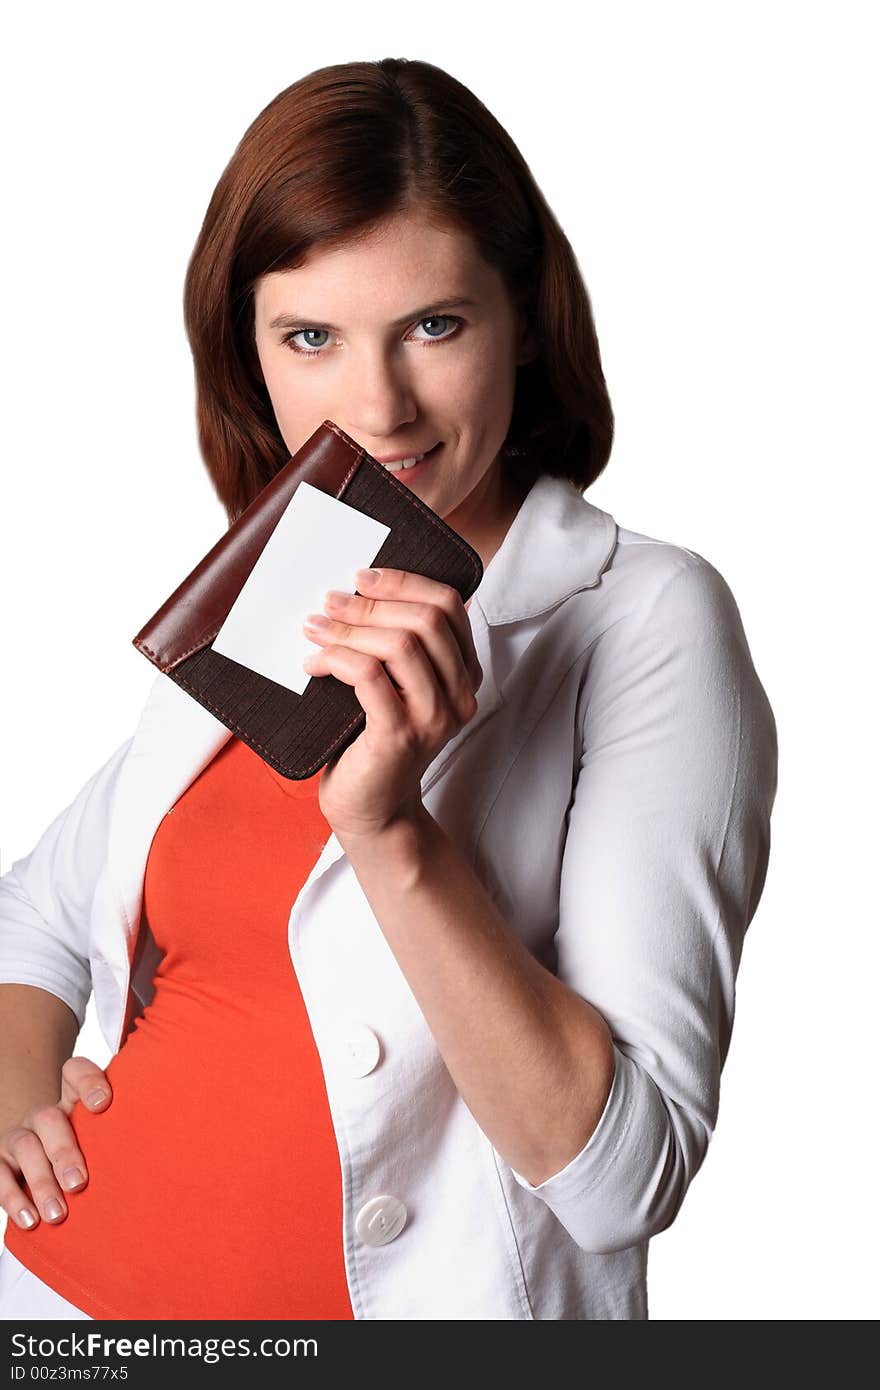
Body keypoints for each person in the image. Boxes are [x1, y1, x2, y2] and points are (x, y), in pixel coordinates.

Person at [0, 56, 777, 1322]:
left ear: (523, 315)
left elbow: (626, 1175)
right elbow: (36, 908)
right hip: (55, 1308)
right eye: (310, 337)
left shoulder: (642, 617)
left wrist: (390, 828)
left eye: (434, 325)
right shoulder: (278, 579)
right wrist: (15, 1092)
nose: (377, 406)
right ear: (248, 354)